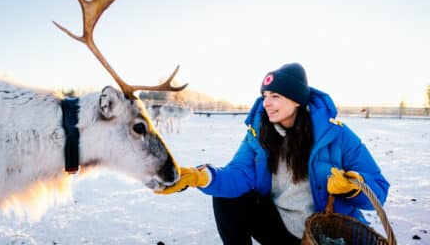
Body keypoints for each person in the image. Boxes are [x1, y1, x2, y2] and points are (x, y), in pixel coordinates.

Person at [156, 63, 390, 245]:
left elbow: (378, 188)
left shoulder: (336, 136)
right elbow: (238, 174)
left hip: (324, 234)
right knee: (226, 198)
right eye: (265, 95)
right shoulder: (258, 136)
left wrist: (352, 187)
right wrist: (202, 177)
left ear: (297, 100)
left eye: (275, 96)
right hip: (279, 228)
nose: (266, 103)